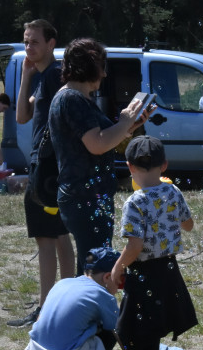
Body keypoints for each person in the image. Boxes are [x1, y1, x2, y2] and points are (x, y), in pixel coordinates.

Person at [109, 136, 198, 350]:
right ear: (164, 165)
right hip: (169, 271)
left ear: (130, 167)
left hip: (144, 274)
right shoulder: (173, 192)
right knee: (129, 333)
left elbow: (134, 246)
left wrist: (117, 267)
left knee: (142, 339)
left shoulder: (134, 202)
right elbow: (189, 225)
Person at [49, 38, 152, 275]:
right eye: (102, 67)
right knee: (95, 266)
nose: (105, 74)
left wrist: (129, 126)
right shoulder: (72, 99)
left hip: (87, 195)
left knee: (91, 262)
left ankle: (86, 308)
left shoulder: (75, 97)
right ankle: (89, 310)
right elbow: (97, 144)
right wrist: (125, 121)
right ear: (89, 66)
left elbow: (104, 140)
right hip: (84, 197)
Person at [8, 19, 75, 328]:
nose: (28, 47)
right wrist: (24, 77)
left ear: (51, 43)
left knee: (47, 239)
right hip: (52, 165)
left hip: (47, 167)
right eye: (25, 41)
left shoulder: (55, 77)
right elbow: (22, 116)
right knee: (60, 235)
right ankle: (65, 304)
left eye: (34, 41)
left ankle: (47, 310)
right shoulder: (43, 76)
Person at [5, 247, 120, 350]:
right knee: (106, 336)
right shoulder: (103, 295)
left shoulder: (63, 282)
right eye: (120, 279)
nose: (120, 286)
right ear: (108, 277)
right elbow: (117, 329)